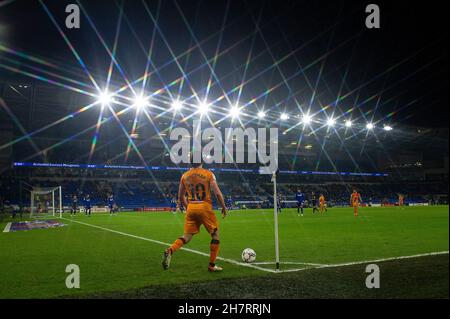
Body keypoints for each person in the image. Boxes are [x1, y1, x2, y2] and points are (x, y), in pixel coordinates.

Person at [162, 161, 227, 272]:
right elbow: (217, 193)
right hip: (205, 206)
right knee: (215, 235)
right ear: (201, 161)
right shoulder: (208, 174)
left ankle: (170, 250)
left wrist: (189, 208)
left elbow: (181, 196)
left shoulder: (184, 176)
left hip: (191, 207)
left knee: (187, 236)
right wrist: (224, 207)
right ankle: (211, 266)